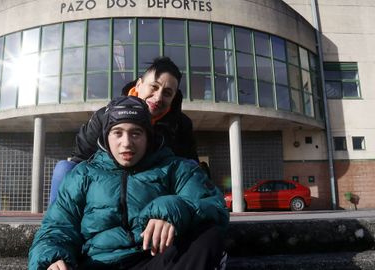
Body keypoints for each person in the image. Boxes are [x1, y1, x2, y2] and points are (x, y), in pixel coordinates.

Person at [30, 96, 229, 270]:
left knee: (209, 236)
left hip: (154, 259)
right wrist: (52, 257)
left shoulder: (175, 168)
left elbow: (214, 206)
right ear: (106, 137)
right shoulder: (83, 174)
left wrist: (172, 209)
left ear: (148, 136)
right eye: (117, 133)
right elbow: (57, 226)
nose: (126, 143)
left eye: (136, 133)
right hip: (97, 263)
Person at [50, 57, 198, 202]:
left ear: (174, 97)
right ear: (139, 84)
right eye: (154, 87)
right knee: (65, 168)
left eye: (167, 93)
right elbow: (81, 159)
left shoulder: (180, 125)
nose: (158, 97)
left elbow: (188, 168)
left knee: (192, 167)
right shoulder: (104, 117)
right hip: (107, 184)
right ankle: (56, 222)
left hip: (156, 187)